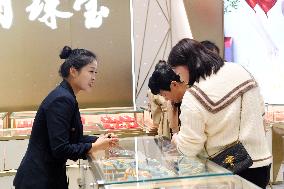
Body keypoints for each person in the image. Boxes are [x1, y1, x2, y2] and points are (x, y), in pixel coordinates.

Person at [148, 38, 272, 189]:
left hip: (229, 171)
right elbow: (260, 112)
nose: (180, 78)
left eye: (178, 72)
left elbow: (190, 146)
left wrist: (177, 139)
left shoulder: (195, 95)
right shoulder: (241, 70)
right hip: (262, 163)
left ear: (188, 65)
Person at [13, 46, 119, 189]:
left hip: (47, 176)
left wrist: (100, 140)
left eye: (96, 72)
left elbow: (72, 138)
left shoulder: (66, 95)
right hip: (39, 180)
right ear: (73, 71)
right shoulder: (62, 99)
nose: (94, 77)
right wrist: (94, 146)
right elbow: (61, 149)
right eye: (91, 71)